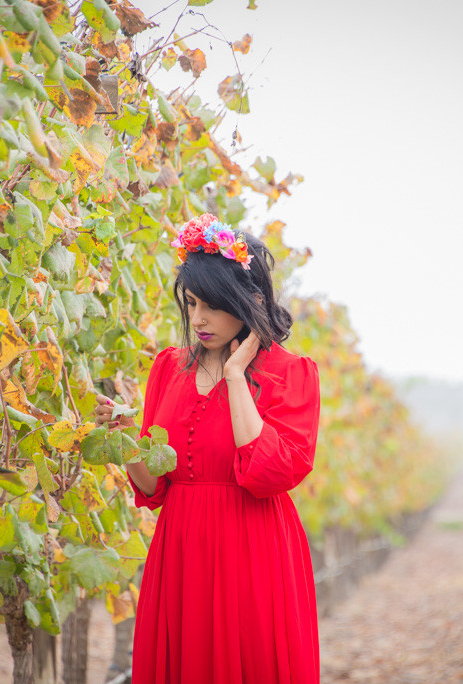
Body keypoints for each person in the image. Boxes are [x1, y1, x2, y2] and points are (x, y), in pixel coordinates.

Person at [93, 214, 322, 683]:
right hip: (179, 548)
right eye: (192, 303)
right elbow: (155, 484)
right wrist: (125, 437)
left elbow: (268, 476)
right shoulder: (168, 368)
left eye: (213, 306)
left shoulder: (290, 372)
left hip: (252, 550)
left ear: (248, 302)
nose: (198, 319)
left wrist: (237, 376)